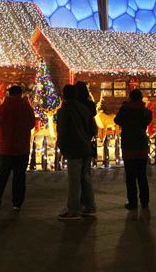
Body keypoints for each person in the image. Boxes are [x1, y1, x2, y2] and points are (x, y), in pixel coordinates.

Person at [0, 85, 36, 211]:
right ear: (21, 94)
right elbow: (32, 124)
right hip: (22, 148)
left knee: (1, 176)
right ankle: (17, 204)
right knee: (19, 176)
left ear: (9, 94)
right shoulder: (27, 107)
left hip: (6, 147)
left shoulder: (4, 107)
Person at [54, 85, 97, 220]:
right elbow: (93, 129)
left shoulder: (64, 111)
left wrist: (62, 145)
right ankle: (90, 206)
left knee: (74, 180)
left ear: (64, 95)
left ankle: (73, 209)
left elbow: (63, 131)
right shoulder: (84, 109)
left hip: (74, 148)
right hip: (86, 147)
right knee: (85, 178)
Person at [114, 89, 152, 218]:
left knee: (130, 176)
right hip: (141, 144)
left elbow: (117, 120)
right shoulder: (145, 111)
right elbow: (147, 121)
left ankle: (132, 201)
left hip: (129, 145)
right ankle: (145, 201)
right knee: (142, 175)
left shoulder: (125, 109)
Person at [74, 81, 97, 158]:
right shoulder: (90, 104)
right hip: (87, 132)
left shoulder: (73, 105)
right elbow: (94, 113)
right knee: (86, 158)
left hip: (76, 132)